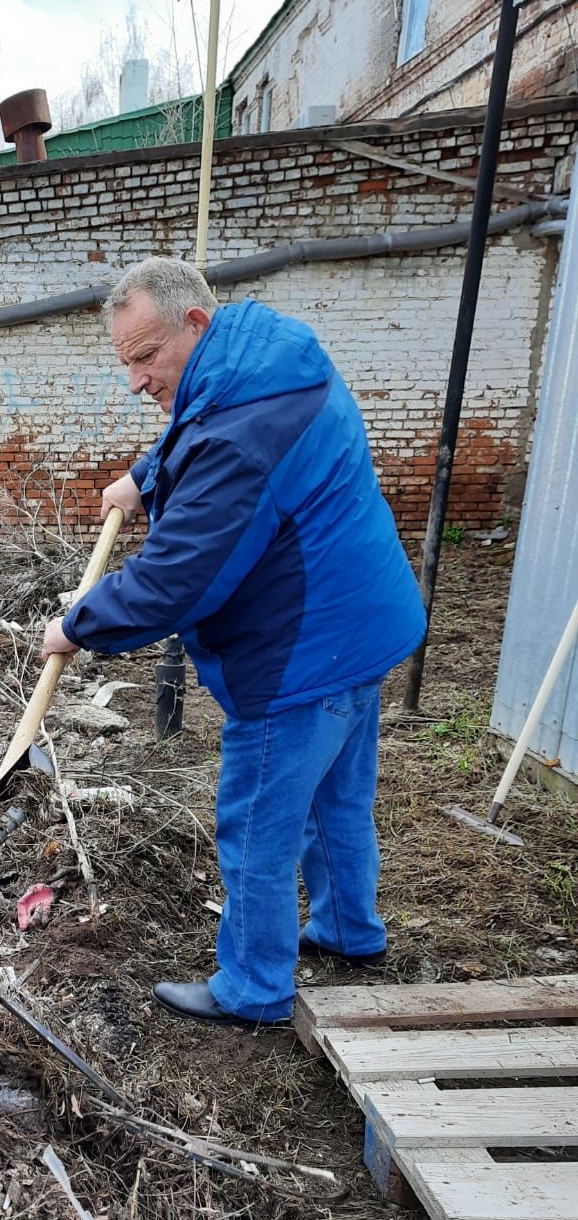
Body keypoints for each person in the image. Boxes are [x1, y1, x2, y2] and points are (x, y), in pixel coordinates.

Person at [41, 257, 426, 1030]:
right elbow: (206, 429)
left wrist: (78, 624)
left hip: (302, 652)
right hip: (364, 625)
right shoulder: (268, 356)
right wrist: (147, 477)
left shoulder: (241, 430)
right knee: (336, 796)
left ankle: (254, 987)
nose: (136, 381)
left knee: (257, 821)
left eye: (146, 357)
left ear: (195, 324)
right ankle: (350, 931)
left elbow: (178, 579)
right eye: (126, 362)